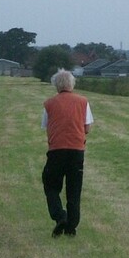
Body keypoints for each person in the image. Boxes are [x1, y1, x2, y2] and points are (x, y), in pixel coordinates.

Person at [41, 69, 93, 238]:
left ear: (56, 85)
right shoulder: (83, 102)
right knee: (74, 189)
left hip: (56, 151)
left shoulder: (49, 104)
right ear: (72, 84)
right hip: (77, 151)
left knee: (51, 186)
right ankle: (71, 226)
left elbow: (46, 127)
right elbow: (87, 128)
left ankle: (60, 216)